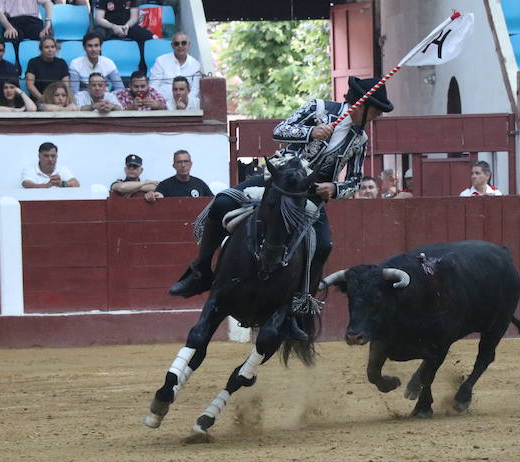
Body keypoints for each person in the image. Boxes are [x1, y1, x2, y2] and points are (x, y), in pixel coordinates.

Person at [166, 76, 393, 311]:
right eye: (377, 110)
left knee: (324, 245)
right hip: (278, 181)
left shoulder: (360, 139)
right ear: (363, 105)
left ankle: (298, 304)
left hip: (310, 196)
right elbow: (280, 131)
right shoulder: (320, 108)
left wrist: (335, 189)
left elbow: (355, 181)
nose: (378, 116)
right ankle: (200, 271)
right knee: (222, 201)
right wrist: (311, 132)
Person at [93, 0, 151, 71]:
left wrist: (126, 26)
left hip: (127, 27)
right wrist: (113, 27)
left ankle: (142, 69)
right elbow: (99, 19)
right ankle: (96, 68)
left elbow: (134, 18)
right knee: (95, 36)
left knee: (145, 35)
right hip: (108, 27)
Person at [149, 31, 201, 101]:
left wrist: (185, 101)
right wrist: (162, 101)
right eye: (177, 44)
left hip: (186, 104)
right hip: (163, 103)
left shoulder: (195, 65)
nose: (180, 46)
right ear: (172, 45)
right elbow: (153, 86)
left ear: (189, 44)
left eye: (183, 43)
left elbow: (195, 89)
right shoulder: (161, 61)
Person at [145, 149, 211, 202]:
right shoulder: (165, 185)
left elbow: (212, 201)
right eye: (179, 162)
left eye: (186, 161)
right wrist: (151, 195)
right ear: (174, 166)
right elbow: (157, 196)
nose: (183, 165)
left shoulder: (200, 184)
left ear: (191, 164)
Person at [25, 36, 69, 103]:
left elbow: (65, 85)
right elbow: (30, 85)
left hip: (59, 101)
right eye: (46, 47)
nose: (50, 50)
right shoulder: (33, 62)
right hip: (39, 100)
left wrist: (59, 100)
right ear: (41, 49)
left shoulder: (62, 63)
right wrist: (43, 99)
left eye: (52, 47)